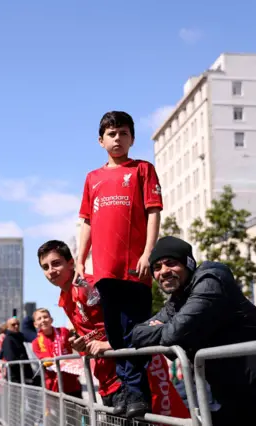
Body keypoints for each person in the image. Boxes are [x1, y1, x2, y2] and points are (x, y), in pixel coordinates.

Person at [130, 235, 256, 426]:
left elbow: (174, 334)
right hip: (242, 403)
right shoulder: (177, 301)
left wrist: (166, 330)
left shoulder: (211, 280)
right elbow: (138, 334)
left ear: (188, 263)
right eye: (156, 267)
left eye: (170, 263)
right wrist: (165, 330)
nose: (163, 271)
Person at [75, 110, 162, 417]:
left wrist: (148, 251)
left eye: (124, 133)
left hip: (134, 267)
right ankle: (127, 388)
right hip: (104, 269)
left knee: (135, 330)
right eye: (112, 134)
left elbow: (153, 212)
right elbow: (85, 221)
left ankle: (138, 391)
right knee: (114, 331)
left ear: (132, 138)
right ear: (101, 141)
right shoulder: (92, 178)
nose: (118, 138)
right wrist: (79, 259)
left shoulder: (142, 170)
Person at [37, 240, 121, 405]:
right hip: (105, 377)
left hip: (126, 373)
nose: (51, 271)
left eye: (55, 264)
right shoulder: (64, 298)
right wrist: (80, 344)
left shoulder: (88, 286)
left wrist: (109, 344)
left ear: (71, 263)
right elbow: (93, 332)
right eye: (45, 267)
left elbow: (127, 321)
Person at [31, 308, 82, 398]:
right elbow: (44, 360)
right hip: (53, 386)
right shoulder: (36, 343)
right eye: (39, 318)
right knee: (57, 412)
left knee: (78, 410)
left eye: (45, 317)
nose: (43, 320)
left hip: (71, 383)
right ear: (35, 324)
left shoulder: (64, 331)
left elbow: (76, 343)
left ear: (51, 320)